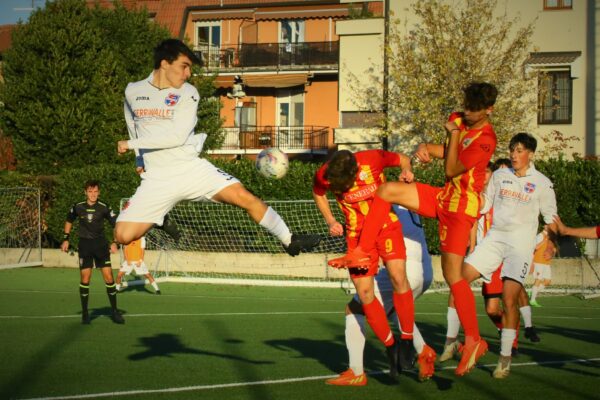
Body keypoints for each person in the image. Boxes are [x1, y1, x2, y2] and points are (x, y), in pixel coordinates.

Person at [329, 82, 498, 376]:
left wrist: (453, 134)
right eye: (466, 107)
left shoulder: (486, 139)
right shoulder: (461, 120)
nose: (467, 113)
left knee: (452, 273)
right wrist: (427, 150)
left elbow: (453, 168)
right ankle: (362, 252)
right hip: (444, 198)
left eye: (474, 110)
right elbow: (446, 152)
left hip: (461, 208)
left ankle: (473, 340)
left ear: (488, 111)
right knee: (386, 190)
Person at [114, 38, 320, 257]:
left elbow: (177, 136)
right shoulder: (133, 91)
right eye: (184, 67)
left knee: (244, 197)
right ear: (165, 64)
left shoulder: (188, 92)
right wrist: (138, 158)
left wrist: (131, 145)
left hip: (191, 169)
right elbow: (132, 124)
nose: (188, 74)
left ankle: (289, 240)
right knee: (122, 235)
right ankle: (161, 218)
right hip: (157, 178)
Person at [459, 132, 557, 379]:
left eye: (520, 150)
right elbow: (485, 203)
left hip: (520, 246)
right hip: (495, 239)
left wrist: (551, 242)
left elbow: (551, 218)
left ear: (530, 154)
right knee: (459, 279)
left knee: (509, 299)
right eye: (512, 150)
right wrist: (468, 200)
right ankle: (473, 340)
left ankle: (504, 358)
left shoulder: (543, 183)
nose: (514, 155)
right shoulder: (501, 176)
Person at [313, 149, 417, 379]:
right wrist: (330, 220)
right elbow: (318, 192)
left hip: (385, 225)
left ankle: (407, 340)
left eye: (342, 186)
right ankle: (391, 347)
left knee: (398, 277)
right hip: (356, 236)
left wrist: (407, 170)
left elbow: (403, 159)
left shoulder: (372, 159)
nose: (338, 190)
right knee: (365, 293)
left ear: (354, 173)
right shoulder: (324, 173)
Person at [325, 205, 436, 385]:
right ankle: (423, 350)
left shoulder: (383, 203)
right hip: (425, 270)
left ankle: (356, 371)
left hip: (404, 270)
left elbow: (370, 235)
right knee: (392, 312)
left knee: (354, 309)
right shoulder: (409, 200)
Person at [60, 180, 124, 325]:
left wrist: (115, 242)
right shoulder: (78, 207)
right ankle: (85, 313)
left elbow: (116, 224)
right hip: (85, 246)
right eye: (90, 191)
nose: (93, 194)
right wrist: (66, 239)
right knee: (85, 279)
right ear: (85, 192)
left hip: (101, 246)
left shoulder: (104, 207)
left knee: (109, 278)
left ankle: (114, 312)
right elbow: (69, 220)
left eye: (95, 191)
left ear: (99, 192)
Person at [529, 231, 554, 307]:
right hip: (538, 262)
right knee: (538, 280)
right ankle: (532, 300)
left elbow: (553, 250)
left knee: (547, 281)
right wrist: (545, 240)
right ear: (546, 226)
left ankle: (532, 291)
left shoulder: (551, 237)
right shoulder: (540, 235)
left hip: (547, 263)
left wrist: (552, 253)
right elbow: (535, 247)